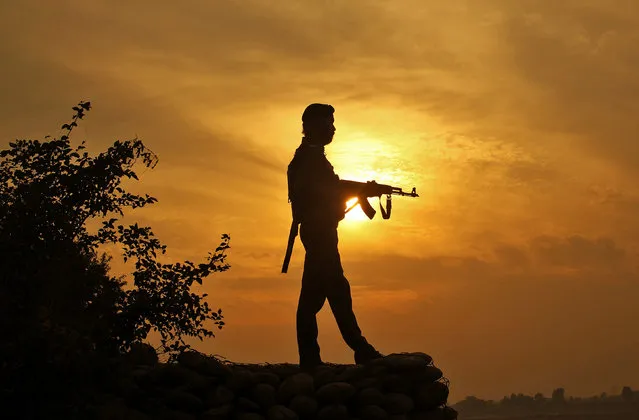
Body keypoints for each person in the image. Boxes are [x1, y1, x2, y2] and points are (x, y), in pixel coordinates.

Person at [287, 103, 383, 370]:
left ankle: (311, 358)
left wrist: (362, 190)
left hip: (322, 233)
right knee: (337, 291)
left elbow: (330, 189)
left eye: (332, 123)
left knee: (311, 300)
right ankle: (360, 348)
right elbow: (323, 193)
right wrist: (361, 191)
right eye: (327, 124)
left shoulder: (313, 158)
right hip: (319, 235)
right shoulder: (308, 161)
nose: (333, 128)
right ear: (312, 127)